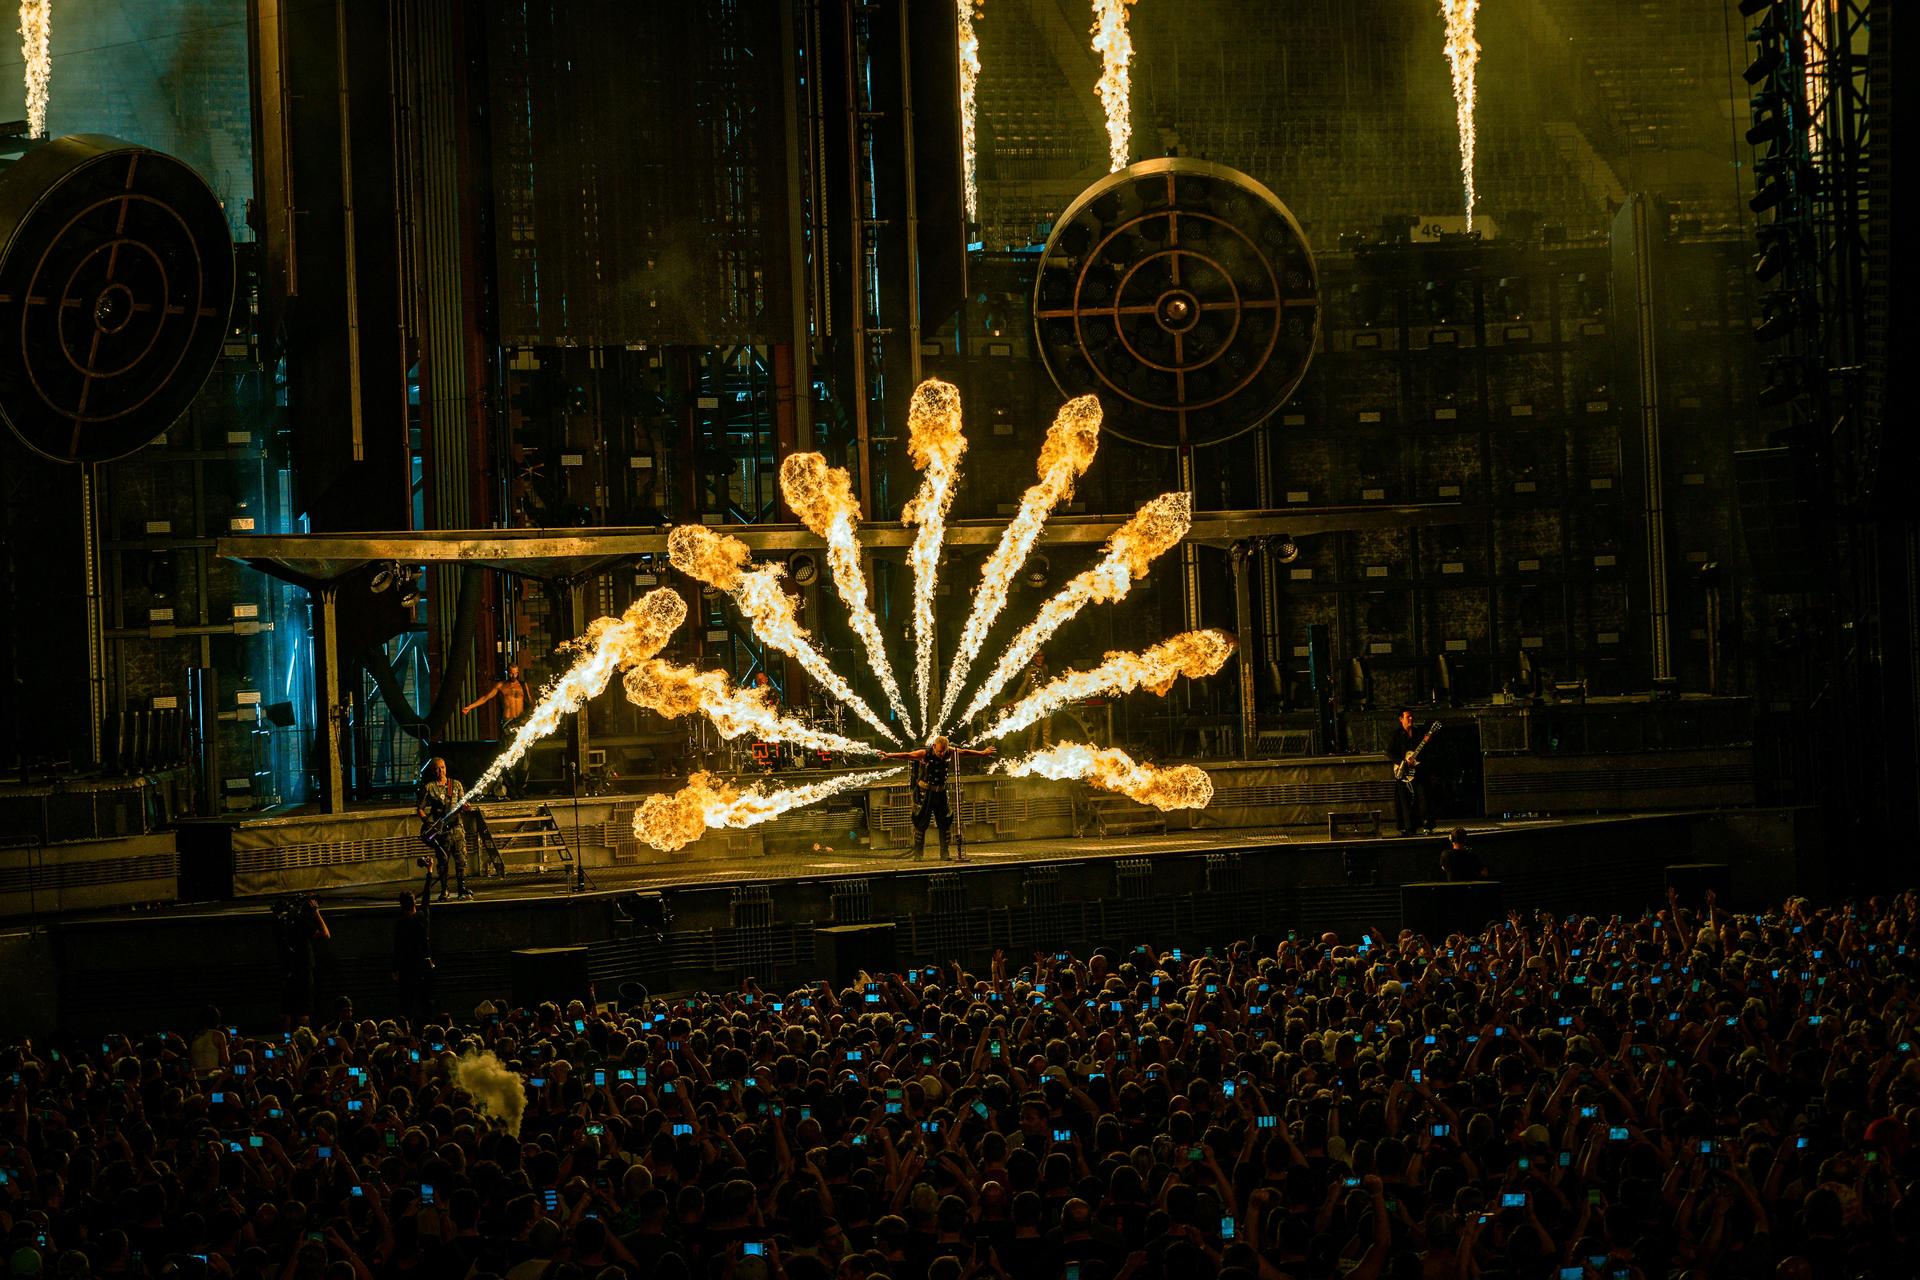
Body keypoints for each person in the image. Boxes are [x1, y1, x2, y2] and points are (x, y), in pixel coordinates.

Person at [877, 736, 995, 861]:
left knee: (944, 823)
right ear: (934, 747)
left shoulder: (950, 752)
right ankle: (918, 855)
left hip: (941, 793)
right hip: (925, 793)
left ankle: (944, 853)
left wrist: (983, 753)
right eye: (939, 751)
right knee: (921, 823)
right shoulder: (925, 754)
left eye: (943, 751)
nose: (941, 753)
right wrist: (889, 755)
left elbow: (966, 752)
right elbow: (908, 755)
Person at [464, 663, 533, 796]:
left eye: (516, 673)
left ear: (518, 672)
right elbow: (485, 698)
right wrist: (470, 707)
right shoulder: (501, 686)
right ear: (508, 672)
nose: (514, 675)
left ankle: (520, 787)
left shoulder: (523, 686)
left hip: (521, 724)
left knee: (524, 757)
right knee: (507, 757)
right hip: (508, 724)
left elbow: (530, 704)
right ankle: (511, 787)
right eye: (511, 673)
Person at [417, 756, 471, 900]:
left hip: (457, 828)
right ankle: (444, 890)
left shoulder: (456, 785)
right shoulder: (429, 788)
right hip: (442, 832)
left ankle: (462, 888)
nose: (440, 771)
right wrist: (428, 823)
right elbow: (420, 809)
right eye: (437, 768)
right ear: (433, 770)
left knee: (461, 860)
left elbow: (463, 804)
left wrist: (465, 808)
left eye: (442, 767)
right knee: (442, 862)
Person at [1385, 707, 1432, 835]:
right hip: (1403, 771)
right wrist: (1402, 762)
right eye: (1408, 717)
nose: (1411, 718)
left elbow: (1425, 752)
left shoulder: (1418, 733)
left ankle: (1427, 824)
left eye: (1412, 716)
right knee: (1404, 800)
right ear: (1401, 719)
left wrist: (1426, 742)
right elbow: (1389, 752)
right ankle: (1408, 827)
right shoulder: (1396, 735)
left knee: (1422, 797)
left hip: (1418, 771)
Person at [391, 891, 433, 1024]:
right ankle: (428, 1027)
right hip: (423, 966)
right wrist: (429, 873)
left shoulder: (400, 924)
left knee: (406, 1003)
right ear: (414, 902)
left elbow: (397, 948)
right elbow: (426, 901)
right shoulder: (421, 918)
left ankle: (406, 1028)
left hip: (406, 968)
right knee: (426, 1001)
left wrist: (395, 969)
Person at [1013, 651, 1054, 753]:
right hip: (1034, 703)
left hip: (1046, 702)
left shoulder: (1046, 667)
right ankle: (1031, 753)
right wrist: (1015, 700)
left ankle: (1047, 751)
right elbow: (1023, 687)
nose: (1040, 658)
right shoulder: (1030, 671)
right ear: (1034, 658)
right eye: (1037, 656)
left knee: (1047, 730)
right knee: (1034, 731)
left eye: (1041, 655)